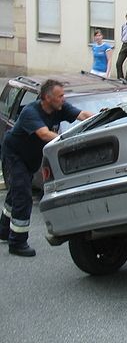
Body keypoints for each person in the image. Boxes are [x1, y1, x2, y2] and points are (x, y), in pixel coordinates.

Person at [1, 80, 92, 257]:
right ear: (47, 98)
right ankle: (17, 242)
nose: (63, 99)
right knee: (23, 195)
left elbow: (82, 115)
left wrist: (102, 117)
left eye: (63, 95)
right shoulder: (30, 112)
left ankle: (3, 230)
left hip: (30, 156)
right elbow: (43, 134)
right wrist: (67, 142)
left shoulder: (60, 107)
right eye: (60, 96)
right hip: (15, 155)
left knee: (16, 193)